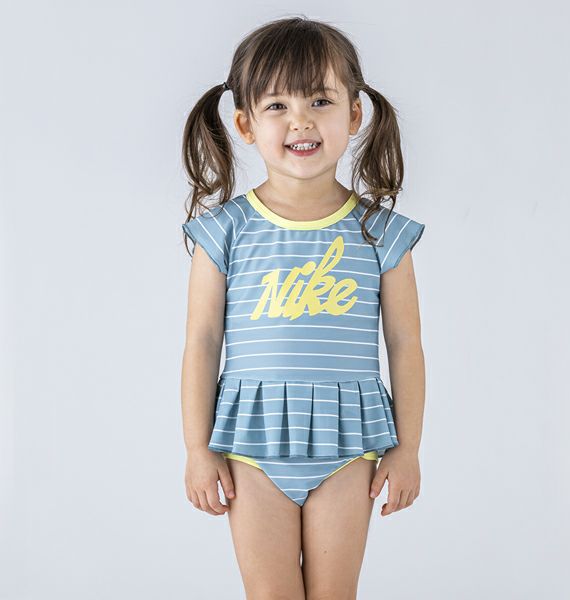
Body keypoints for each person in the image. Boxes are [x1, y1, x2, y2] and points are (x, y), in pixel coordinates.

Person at [180, 15, 426, 599]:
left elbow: (405, 344)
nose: (301, 120)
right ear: (245, 123)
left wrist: (408, 448)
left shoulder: (379, 233)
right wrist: (196, 449)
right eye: (277, 105)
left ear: (355, 114)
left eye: (320, 100)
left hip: (348, 444)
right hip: (251, 444)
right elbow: (202, 342)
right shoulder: (225, 230)